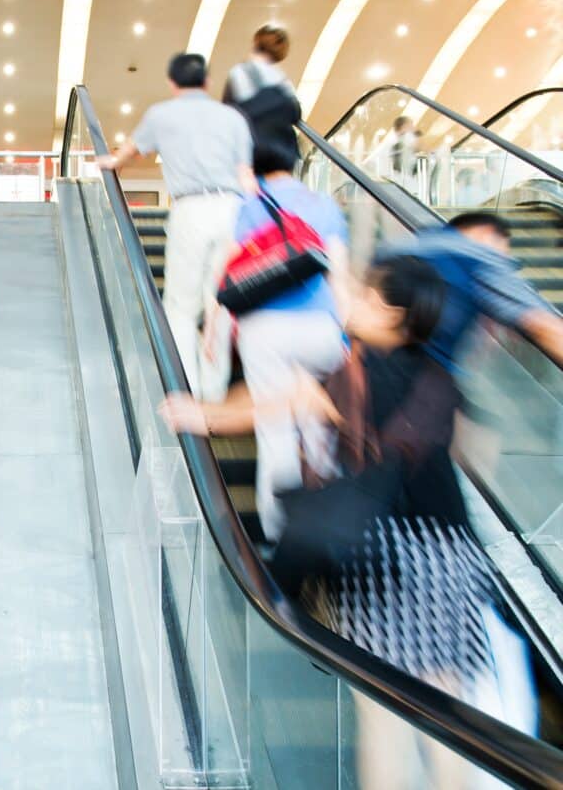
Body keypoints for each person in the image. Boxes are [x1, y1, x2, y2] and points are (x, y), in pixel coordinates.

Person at [162, 255, 535, 788]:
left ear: (390, 312)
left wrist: (200, 415)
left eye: (363, 296)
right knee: (446, 715)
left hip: (384, 558)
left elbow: (277, 403)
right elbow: (479, 452)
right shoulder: (438, 379)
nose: (351, 302)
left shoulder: (354, 374)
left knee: (384, 715)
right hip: (454, 558)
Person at [207, 156, 350, 542]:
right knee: (319, 423)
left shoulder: (248, 207)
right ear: (297, 161)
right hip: (321, 327)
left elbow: (228, 268)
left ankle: (279, 532)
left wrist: (213, 329)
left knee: (275, 430)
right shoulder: (324, 204)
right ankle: (329, 521)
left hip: (264, 329)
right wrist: (347, 334)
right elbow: (340, 273)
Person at [98, 52, 254, 401]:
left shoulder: (162, 114)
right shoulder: (233, 118)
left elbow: (128, 152)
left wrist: (110, 163)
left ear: (172, 83)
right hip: (232, 209)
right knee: (221, 302)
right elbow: (247, 175)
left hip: (191, 208)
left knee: (181, 307)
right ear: (207, 82)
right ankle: (213, 392)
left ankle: (187, 388)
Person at [378, 211, 563, 370]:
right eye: (503, 252)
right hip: (418, 379)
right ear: (487, 233)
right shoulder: (476, 258)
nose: (502, 260)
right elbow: (542, 324)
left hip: (377, 365)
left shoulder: (404, 246)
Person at [223, 24, 301, 176]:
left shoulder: (239, 72)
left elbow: (228, 113)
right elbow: (295, 112)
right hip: (281, 155)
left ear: (256, 43)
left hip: (250, 153)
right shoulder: (282, 79)